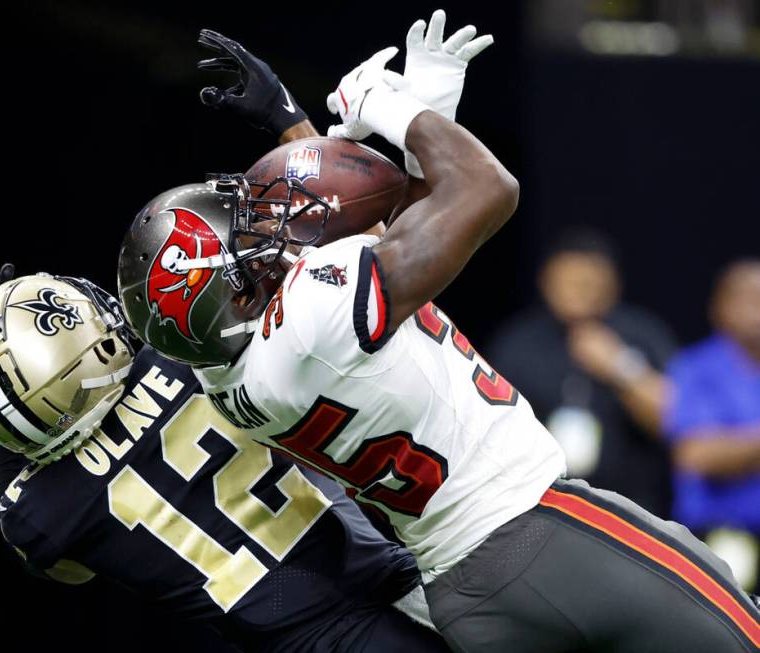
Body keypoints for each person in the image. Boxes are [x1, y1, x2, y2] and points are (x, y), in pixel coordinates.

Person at [117, 9, 760, 652]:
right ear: (233, 296)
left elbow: (377, 239)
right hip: (547, 535)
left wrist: (299, 119)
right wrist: (391, 107)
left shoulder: (226, 368)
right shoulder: (316, 311)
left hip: (462, 592)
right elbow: (484, 190)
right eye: (247, 238)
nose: (265, 229)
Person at [0, 267, 447, 652]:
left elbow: (64, 568)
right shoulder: (187, 349)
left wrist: (10, 424)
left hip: (302, 641)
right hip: (388, 578)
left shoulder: (39, 514)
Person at [487, 230, 676, 517]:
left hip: (633, 510)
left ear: (612, 284)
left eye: (589, 284)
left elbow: (672, 419)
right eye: (569, 282)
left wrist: (620, 365)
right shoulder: (518, 342)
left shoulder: (641, 335)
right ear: (546, 281)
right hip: (541, 509)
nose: (578, 293)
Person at [665, 259, 760, 591]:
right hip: (719, 539)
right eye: (747, 296)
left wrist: (737, 447)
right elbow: (697, 455)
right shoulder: (695, 368)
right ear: (719, 307)